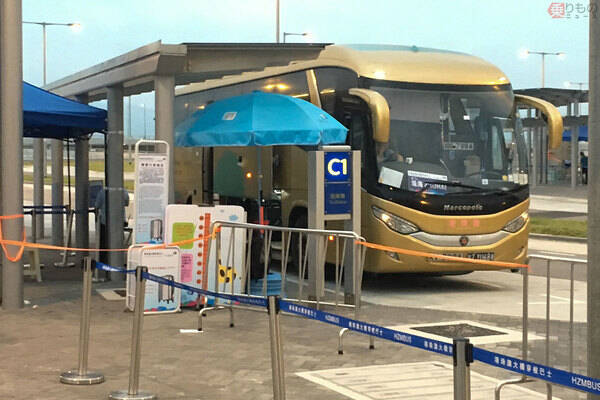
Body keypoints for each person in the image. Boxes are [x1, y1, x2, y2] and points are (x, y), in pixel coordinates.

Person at [94, 187, 130, 263]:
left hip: (105, 222)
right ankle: (117, 259)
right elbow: (126, 203)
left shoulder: (102, 192)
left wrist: (96, 220)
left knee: (103, 243)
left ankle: (103, 261)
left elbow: (97, 206)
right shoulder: (124, 192)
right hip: (118, 221)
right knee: (118, 242)